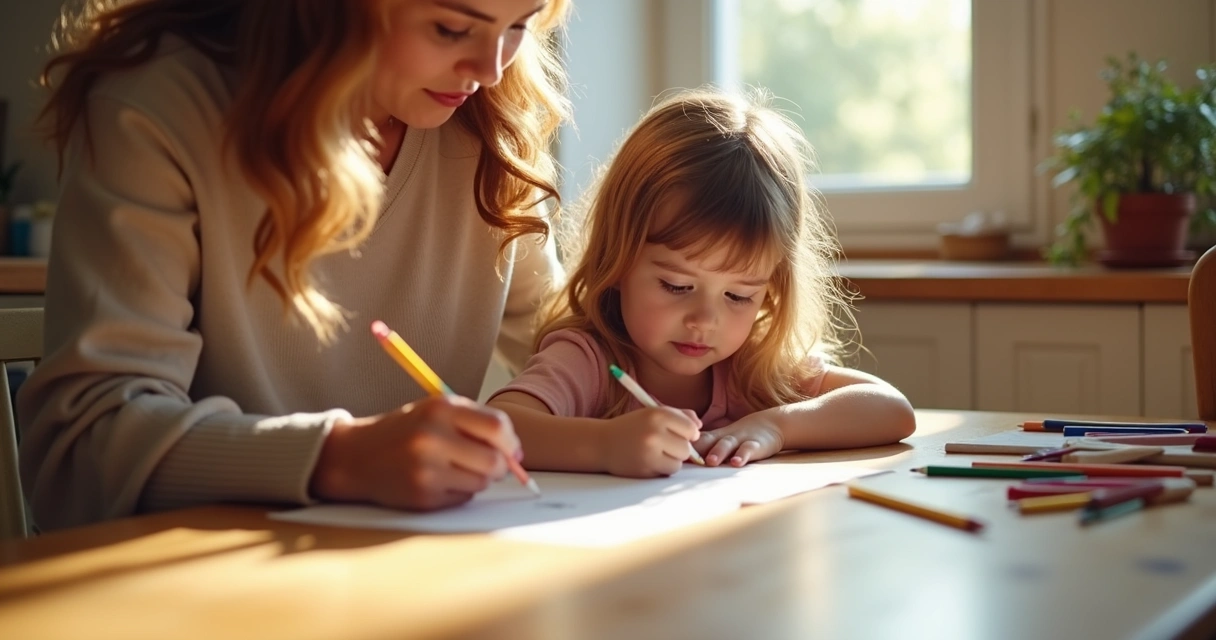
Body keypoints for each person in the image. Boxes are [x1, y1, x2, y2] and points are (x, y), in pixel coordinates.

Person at [18, 0, 571, 530]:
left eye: (520, 24)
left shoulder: (492, 132)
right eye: (451, 28)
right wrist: (342, 458)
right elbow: (83, 448)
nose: (492, 70)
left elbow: (572, 350)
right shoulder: (160, 106)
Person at [487, 89, 916, 478]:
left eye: (738, 295)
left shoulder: (754, 366)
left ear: (771, 291)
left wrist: (776, 425)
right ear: (617, 261)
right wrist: (605, 445)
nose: (705, 320)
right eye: (676, 286)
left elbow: (892, 410)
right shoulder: (588, 360)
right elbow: (503, 426)